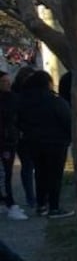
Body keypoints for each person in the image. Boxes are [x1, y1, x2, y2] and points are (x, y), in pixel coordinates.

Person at [17, 70, 73, 219]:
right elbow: (68, 121)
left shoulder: (24, 101)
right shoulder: (55, 101)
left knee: (40, 174)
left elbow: (18, 122)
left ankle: (41, 205)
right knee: (55, 176)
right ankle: (54, 207)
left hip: (34, 143)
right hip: (56, 143)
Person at [0, 72, 27, 220]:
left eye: (8, 81)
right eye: (4, 81)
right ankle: (10, 204)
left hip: (10, 140)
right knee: (5, 174)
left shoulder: (13, 98)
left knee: (6, 173)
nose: (7, 84)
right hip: (4, 142)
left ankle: (5, 202)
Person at [11, 66, 36, 213]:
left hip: (30, 134)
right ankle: (31, 198)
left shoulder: (27, 93)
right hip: (23, 135)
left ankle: (33, 197)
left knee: (30, 166)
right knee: (28, 166)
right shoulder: (17, 95)